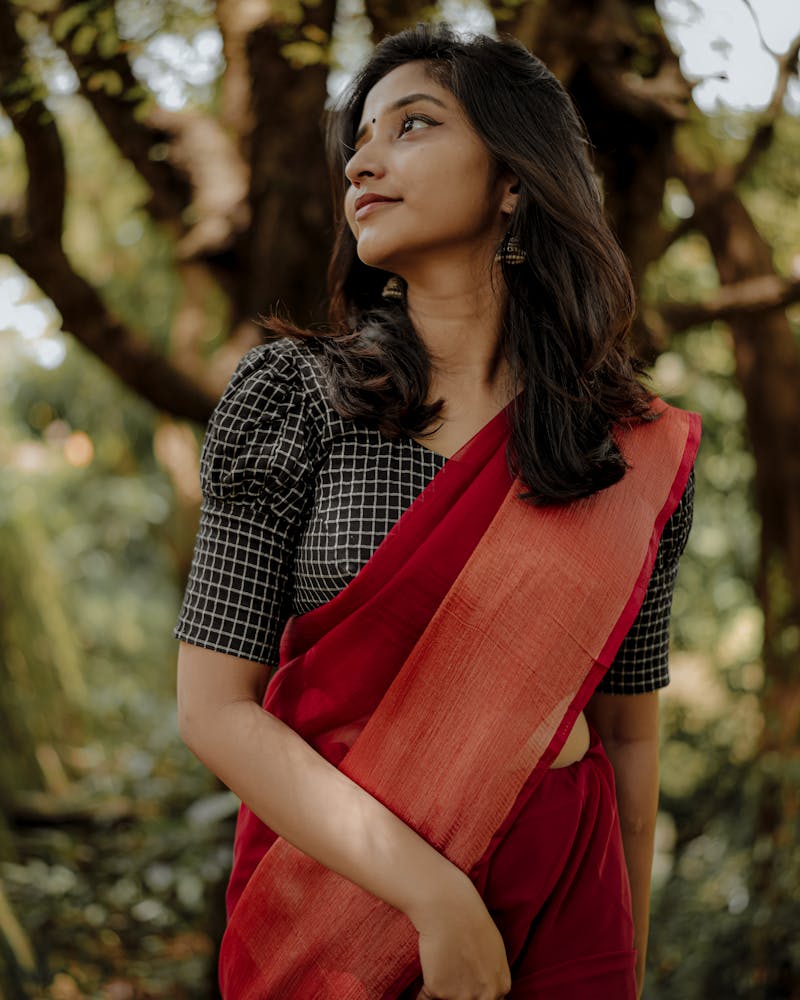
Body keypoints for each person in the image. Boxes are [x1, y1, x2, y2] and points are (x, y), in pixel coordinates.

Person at [175, 22, 698, 1000]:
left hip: (558, 916)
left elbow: (626, 735)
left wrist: (618, 959)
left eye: (410, 126)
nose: (363, 162)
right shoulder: (292, 397)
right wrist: (432, 896)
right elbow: (213, 709)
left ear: (512, 179)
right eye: (358, 142)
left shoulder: (624, 449)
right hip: (338, 918)